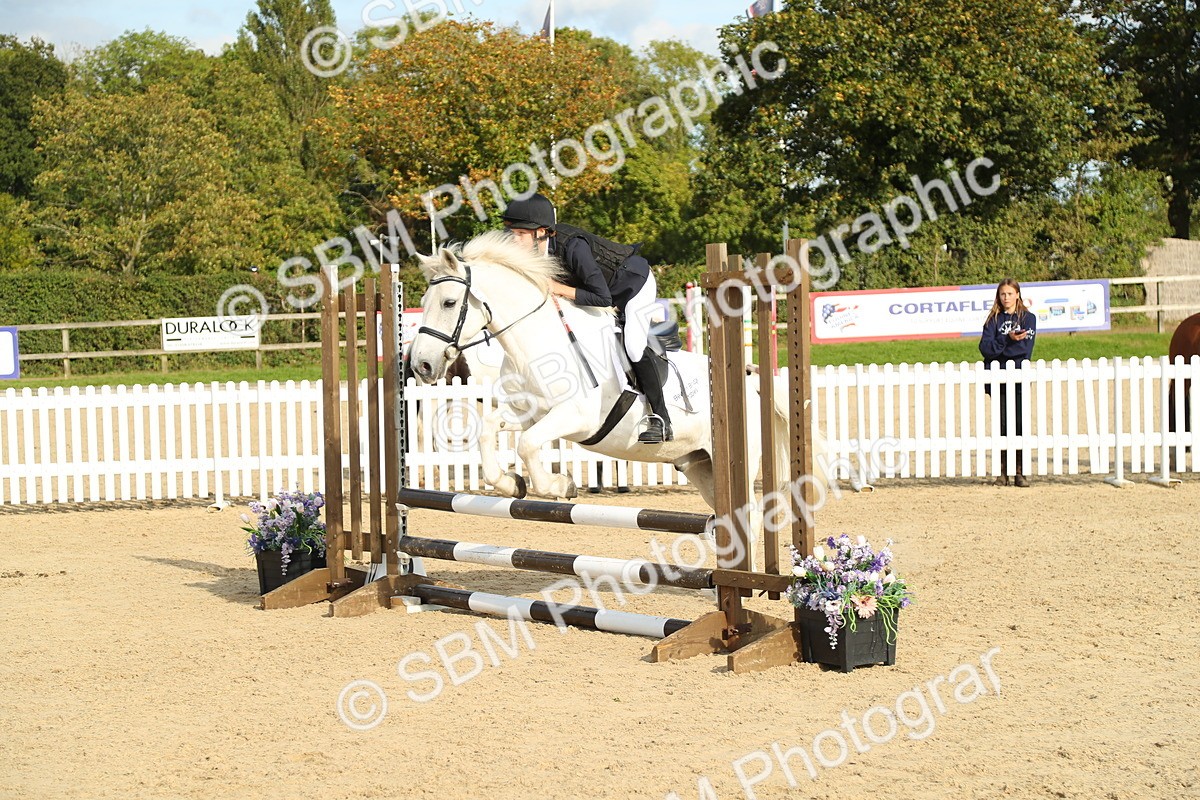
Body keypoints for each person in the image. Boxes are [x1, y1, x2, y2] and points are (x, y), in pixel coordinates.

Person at [500, 194, 674, 443]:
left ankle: (662, 418)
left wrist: (557, 288)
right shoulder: (534, 254)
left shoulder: (573, 247)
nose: (513, 240)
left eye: (519, 234)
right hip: (600, 292)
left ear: (541, 232)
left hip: (633, 286)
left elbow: (602, 298)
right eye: (511, 233)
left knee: (634, 346)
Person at [979, 278, 1037, 487]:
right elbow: (985, 348)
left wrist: (1002, 347)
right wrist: (1007, 340)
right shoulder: (992, 320)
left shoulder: (1028, 319)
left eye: (1010, 294)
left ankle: (1019, 472)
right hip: (998, 377)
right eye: (1003, 294)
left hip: (1019, 375)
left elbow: (1023, 350)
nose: (1006, 298)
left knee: (1019, 424)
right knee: (1002, 425)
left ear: (1017, 295)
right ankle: (1002, 472)